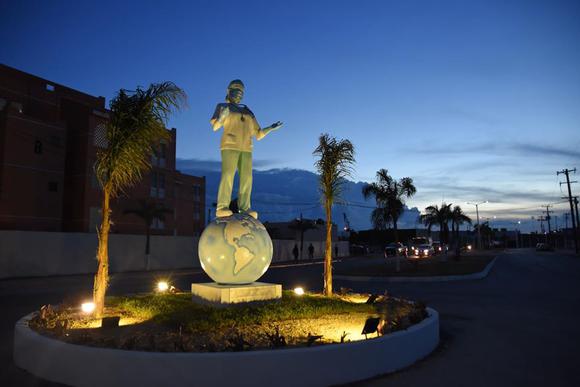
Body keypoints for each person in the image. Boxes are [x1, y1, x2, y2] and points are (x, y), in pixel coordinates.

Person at [210, 79, 283, 219]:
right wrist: (222, 117)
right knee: (228, 175)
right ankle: (222, 207)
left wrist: (271, 128)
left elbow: (258, 134)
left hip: (247, 148)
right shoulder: (222, 106)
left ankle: (244, 208)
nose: (238, 95)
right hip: (230, 145)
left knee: (247, 178)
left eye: (241, 93)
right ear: (228, 91)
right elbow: (215, 127)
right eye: (236, 91)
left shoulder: (248, 111)